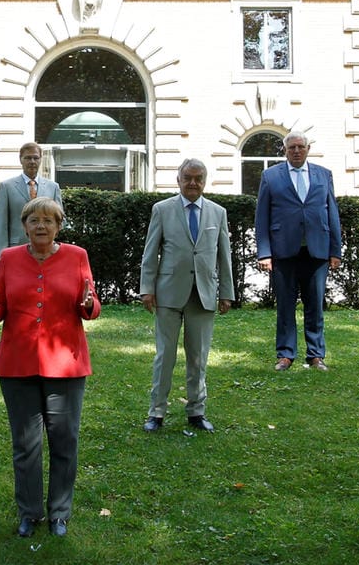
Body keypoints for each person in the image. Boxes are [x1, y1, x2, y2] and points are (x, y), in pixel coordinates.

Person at [0, 197, 101, 538]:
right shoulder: (8, 259)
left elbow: (90, 305)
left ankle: (59, 513)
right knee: (26, 443)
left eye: (48, 220)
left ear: (58, 226)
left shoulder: (77, 256)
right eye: (34, 220)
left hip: (65, 363)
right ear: (24, 226)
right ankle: (29, 513)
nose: (41, 226)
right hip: (17, 362)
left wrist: (90, 305)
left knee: (64, 440)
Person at [139, 159, 233, 432]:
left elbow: (224, 257)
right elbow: (150, 252)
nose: (193, 183)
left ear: (205, 181)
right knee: (164, 355)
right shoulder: (162, 210)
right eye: (188, 178)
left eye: (198, 178)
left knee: (198, 357)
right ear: (177, 179)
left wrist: (226, 292)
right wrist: (147, 288)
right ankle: (156, 413)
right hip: (168, 293)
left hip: (203, 295)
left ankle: (196, 411)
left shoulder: (218, 213)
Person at [252, 133, 343, 370]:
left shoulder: (324, 175)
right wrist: (264, 252)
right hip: (284, 251)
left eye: (300, 147)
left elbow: (332, 213)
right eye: (291, 147)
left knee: (315, 304)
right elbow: (262, 216)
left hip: (317, 250)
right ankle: (285, 354)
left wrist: (335, 251)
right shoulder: (270, 176)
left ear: (308, 149)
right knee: (285, 304)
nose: (296, 151)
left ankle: (315, 354)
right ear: (284, 150)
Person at [0, 141, 61, 252]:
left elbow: (59, 220)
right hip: (16, 249)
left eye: (36, 158)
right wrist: (1, 253)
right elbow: (1, 223)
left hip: (46, 250)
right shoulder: (7, 187)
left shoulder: (53, 187)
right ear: (21, 159)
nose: (32, 162)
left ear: (40, 159)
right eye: (28, 158)